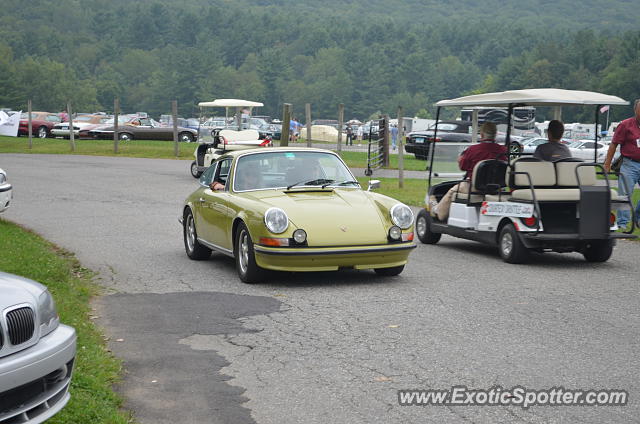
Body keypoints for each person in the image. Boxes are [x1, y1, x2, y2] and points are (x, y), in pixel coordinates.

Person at [431, 122, 507, 221]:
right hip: (496, 188)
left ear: (482, 134)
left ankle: (439, 212)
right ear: (495, 135)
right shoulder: (502, 150)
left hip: (475, 187)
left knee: (453, 191)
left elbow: (463, 166)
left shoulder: (473, 150)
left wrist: (460, 159)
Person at [603, 99, 640, 229]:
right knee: (625, 194)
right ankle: (622, 224)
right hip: (629, 164)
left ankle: (638, 216)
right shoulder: (625, 125)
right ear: (635, 110)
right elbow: (614, 144)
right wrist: (607, 164)